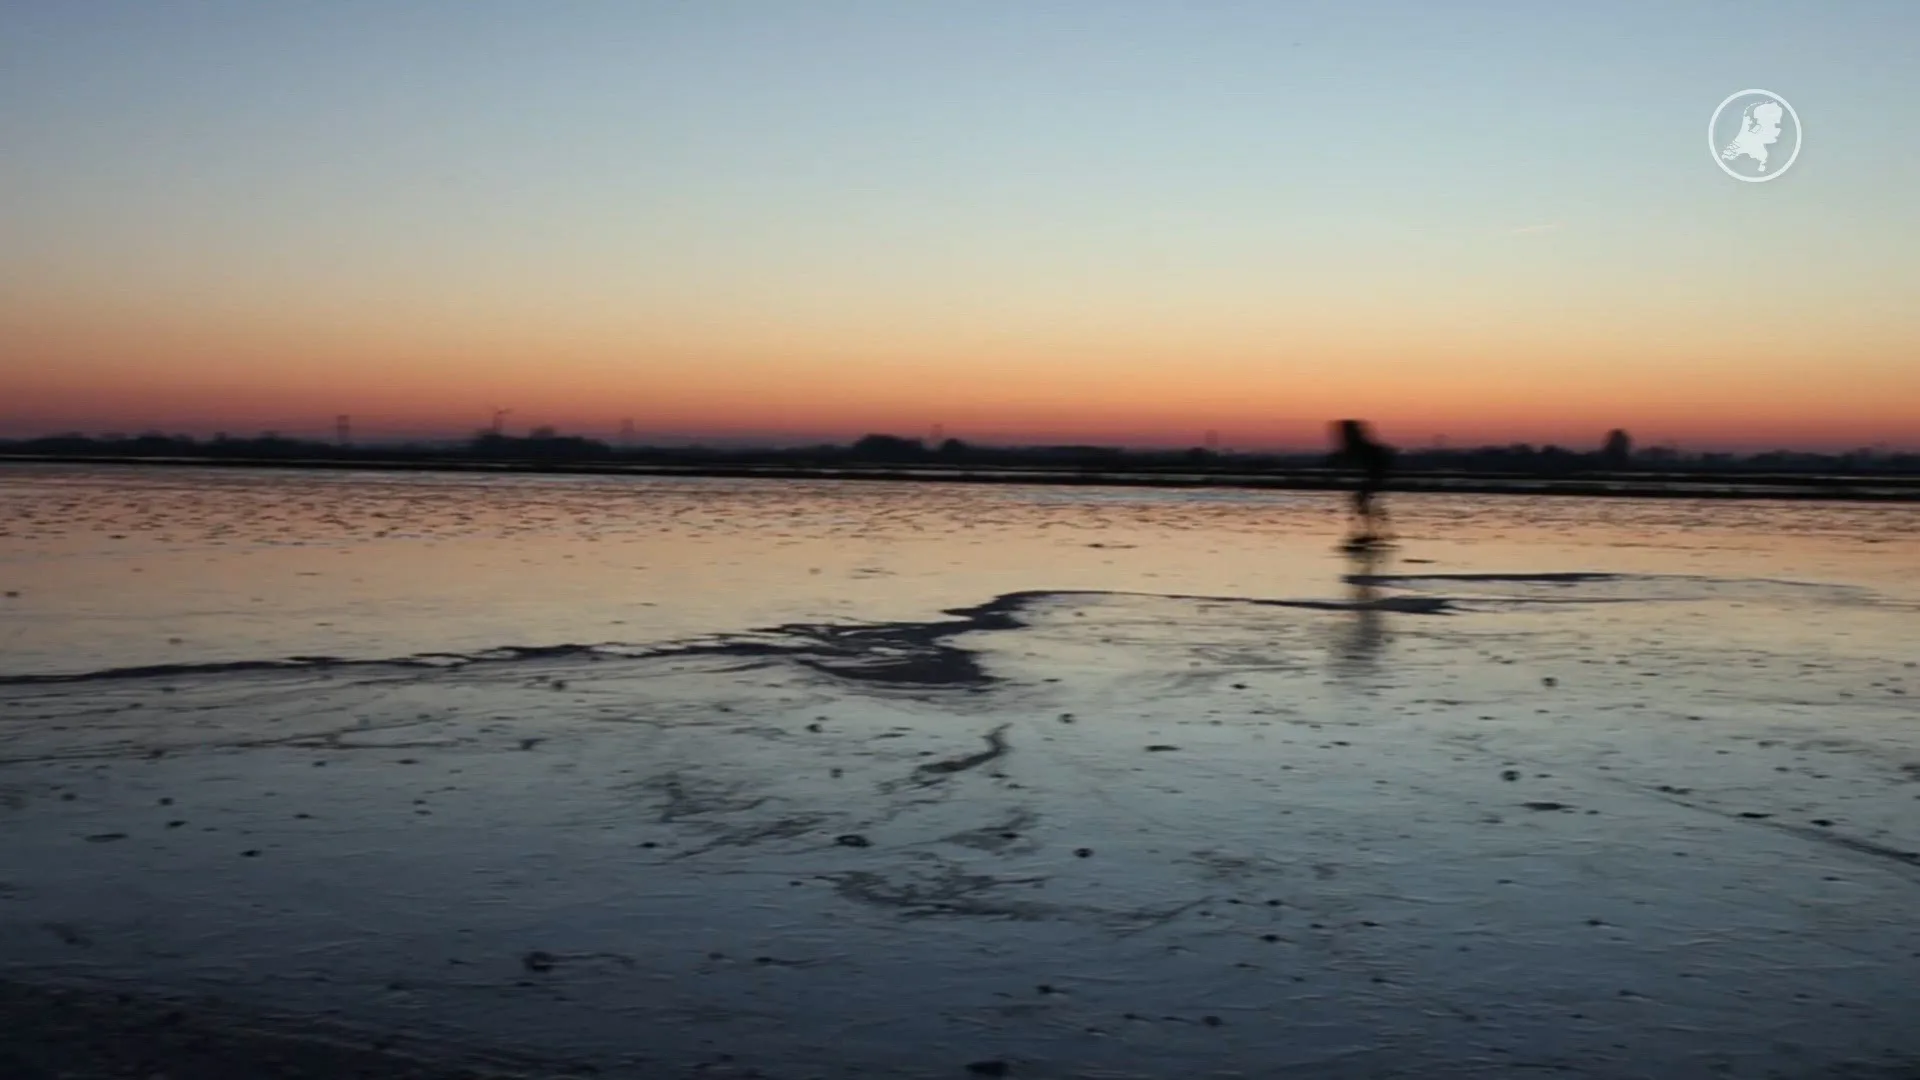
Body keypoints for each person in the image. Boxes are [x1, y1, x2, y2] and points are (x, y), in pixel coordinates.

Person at [1329, 419, 1394, 546]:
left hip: (1375, 475)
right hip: (1375, 475)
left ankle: (1372, 531)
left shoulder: (1356, 444)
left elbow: (1345, 458)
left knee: (1362, 503)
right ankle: (1373, 531)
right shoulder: (1358, 444)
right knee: (1364, 503)